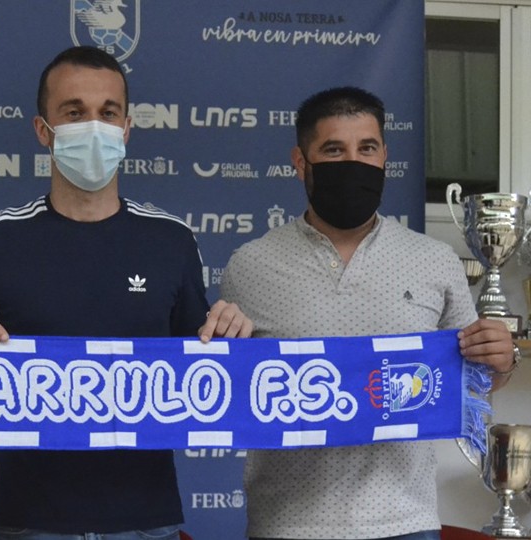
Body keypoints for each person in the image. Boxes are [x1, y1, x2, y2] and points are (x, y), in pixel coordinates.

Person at [0, 45, 253, 540]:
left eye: (108, 113)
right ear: (44, 131)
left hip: (148, 520)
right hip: (28, 522)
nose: (94, 126)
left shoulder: (171, 240)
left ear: (126, 129)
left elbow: (205, 373)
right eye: (74, 112)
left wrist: (231, 336)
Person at [220, 86, 516, 540]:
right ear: (300, 162)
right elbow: (231, 391)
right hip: (286, 524)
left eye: (367, 148)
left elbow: (469, 385)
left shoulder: (434, 260)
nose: (353, 162)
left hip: (405, 522)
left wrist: (500, 362)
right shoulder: (250, 265)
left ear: (384, 159)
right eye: (334, 150)